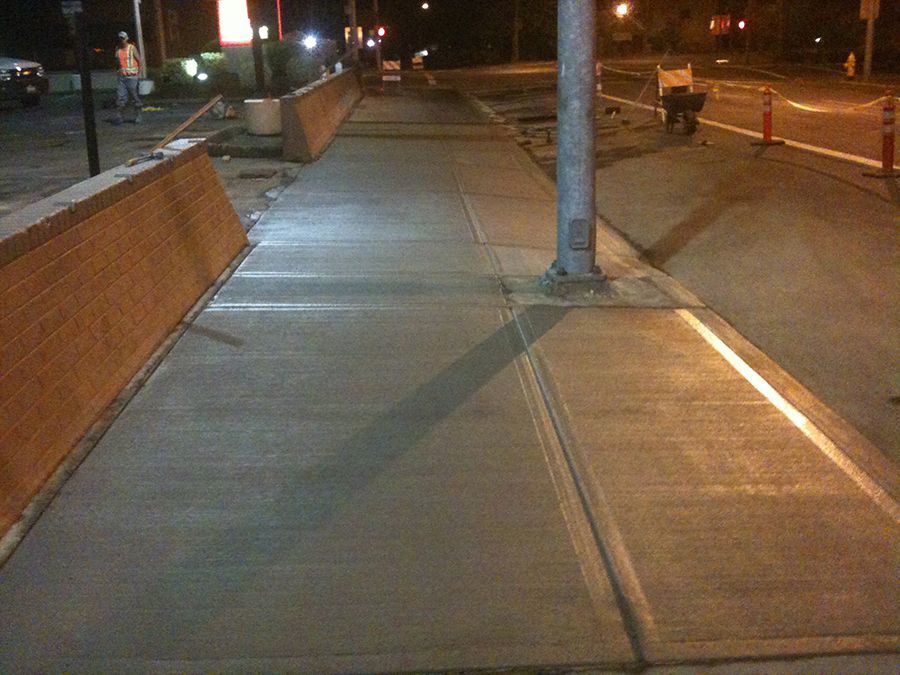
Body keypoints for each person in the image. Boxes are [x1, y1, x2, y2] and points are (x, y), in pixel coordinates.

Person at [111, 31, 142, 124]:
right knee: (120, 97)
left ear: (127, 38)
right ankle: (119, 117)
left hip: (132, 77)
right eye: (120, 38)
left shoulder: (132, 48)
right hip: (122, 77)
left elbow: (139, 61)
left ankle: (138, 116)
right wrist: (118, 71)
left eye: (123, 38)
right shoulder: (118, 49)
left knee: (134, 97)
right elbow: (117, 62)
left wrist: (138, 74)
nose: (122, 40)